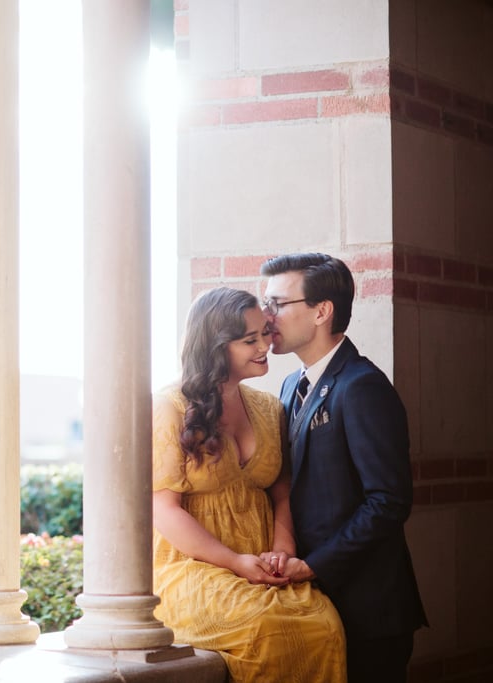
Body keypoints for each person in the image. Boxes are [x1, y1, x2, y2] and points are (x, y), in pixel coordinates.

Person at [152, 286, 346, 683]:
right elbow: (163, 509)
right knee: (267, 628)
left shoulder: (269, 407)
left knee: (324, 620)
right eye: (250, 340)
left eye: (266, 333)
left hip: (260, 559)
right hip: (193, 566)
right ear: (216, 347)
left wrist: (281, 550)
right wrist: (236, 562)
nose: (266, 345)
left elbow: (282, 493)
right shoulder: (171, 406)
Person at [260, 253, 427, 683]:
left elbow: (389, 502)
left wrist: (314, 565)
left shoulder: (362, 386)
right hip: (315, 605)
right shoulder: (289, 384)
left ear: (321, 311)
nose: (266, 316)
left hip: (369, 611)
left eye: (277, 303)